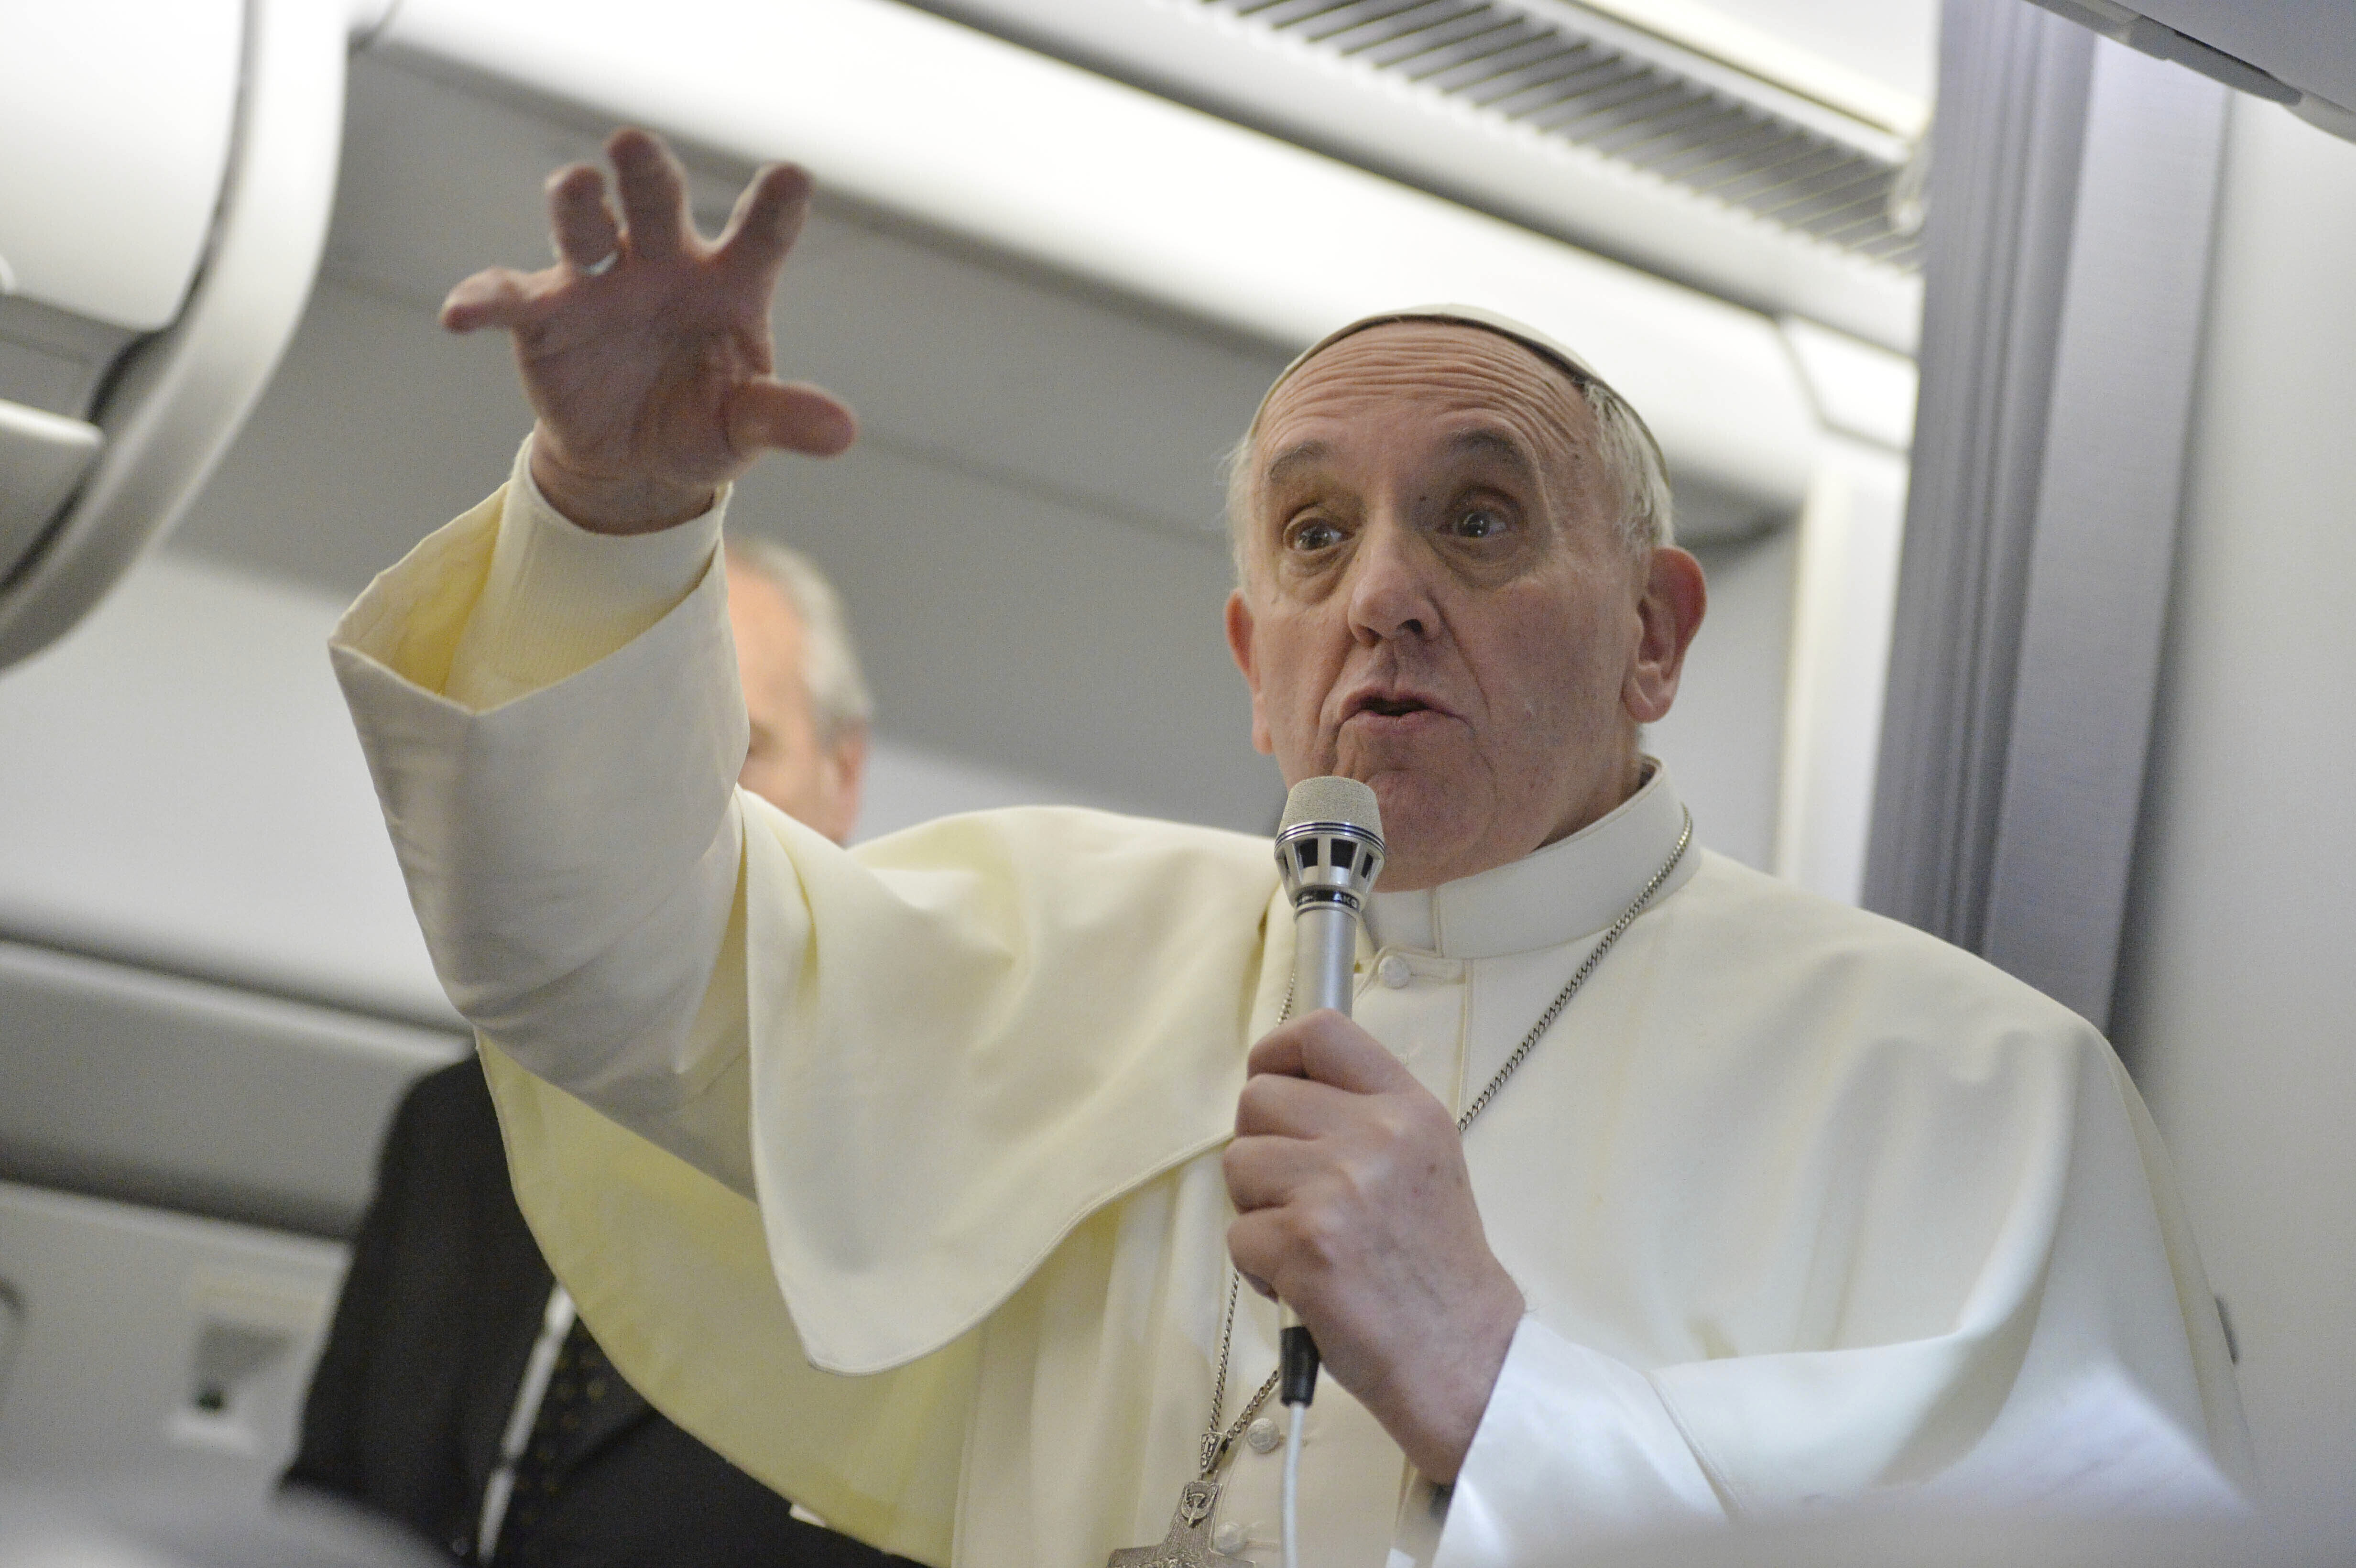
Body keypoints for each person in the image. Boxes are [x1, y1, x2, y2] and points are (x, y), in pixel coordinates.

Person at [327, 129, 2251, 1567]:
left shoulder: (1972, 1096)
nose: (1387, 591)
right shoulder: (1058, 942)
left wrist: (1506, 1391)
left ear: (1653, 634)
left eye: (1480, 520)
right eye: (1316, 536)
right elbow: (599, 961)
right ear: (1258, 667)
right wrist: (606, 522)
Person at [289, 530, 901, 1568]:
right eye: (644, 750)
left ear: (843, 776)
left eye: (741, 742)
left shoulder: (913, 1175)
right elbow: (324, 1502)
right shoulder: (455, 1124)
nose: (691, 798)